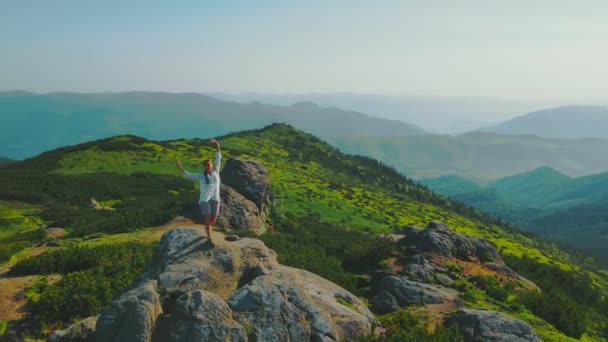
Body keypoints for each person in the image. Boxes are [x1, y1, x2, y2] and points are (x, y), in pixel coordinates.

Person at [176, 138, 221, 242]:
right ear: (204, 166)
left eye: (208, 164)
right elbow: (188, 175)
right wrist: (179, 166)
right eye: (205, 165)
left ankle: (208, 228)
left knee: (213, 219)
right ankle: (209, 238)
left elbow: (218, 156)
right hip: (205, 200)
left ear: (212, 165)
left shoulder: (216, 171)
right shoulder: (201, 176)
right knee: (207, 219)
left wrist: (217, 144)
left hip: (216, 199)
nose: (207, 165)